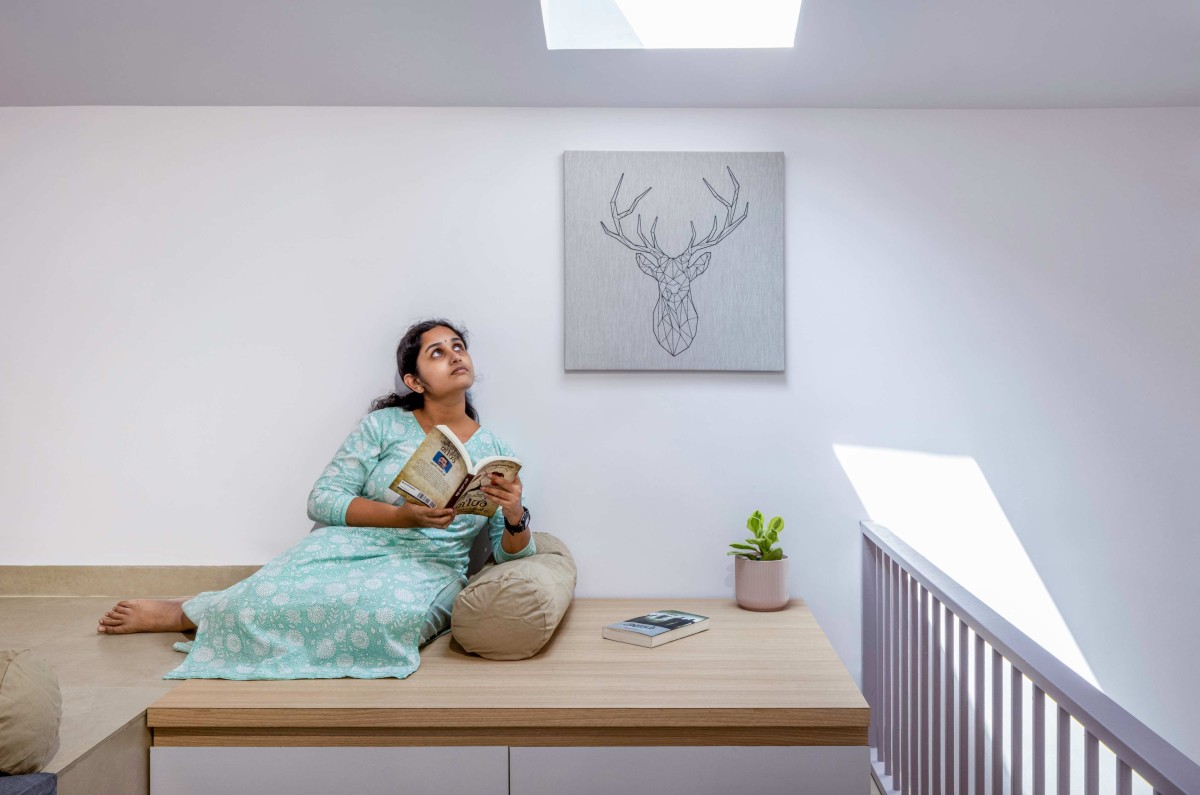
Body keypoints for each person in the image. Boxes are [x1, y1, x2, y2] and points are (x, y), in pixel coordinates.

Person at [95, 319, 535, 680]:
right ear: (414, 380)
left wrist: (514, 515)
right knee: (259, 600)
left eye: (458, 346)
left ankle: (212, 612)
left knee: (384, 617)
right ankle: (192, 612)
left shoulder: (496, 451)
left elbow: (509, 553)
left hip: (428, 566)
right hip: (348, 547)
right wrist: (400, 517)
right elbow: (322, 500)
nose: (455, 355)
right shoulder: (383, 426)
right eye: (437, 352)